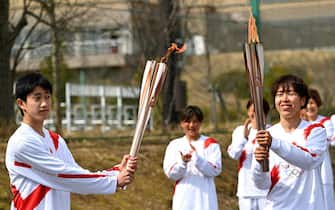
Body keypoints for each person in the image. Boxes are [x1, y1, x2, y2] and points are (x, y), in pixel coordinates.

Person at [5, 73, 138, 210]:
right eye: (37, 98)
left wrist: (115, 171)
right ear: (21, 104)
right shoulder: (21, 143)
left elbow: (77, 174)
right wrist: (114, 181)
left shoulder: (56, 140)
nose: (44, 103)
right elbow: (63, 176)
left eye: (47, 96)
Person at [252, 74, 327, 210]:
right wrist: (258, 164)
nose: (284, 99)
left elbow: (310, 161)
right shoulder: (266, 135)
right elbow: (262, 184)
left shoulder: (315, 131)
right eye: (280, 94)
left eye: (290, 93)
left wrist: (274, 143)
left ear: (303, 100)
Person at [163, 105, 222, 210]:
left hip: (206, 201)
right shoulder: (175, 145)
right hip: (183, 201)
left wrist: (197, 159)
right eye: (187, 121)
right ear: (181, 123)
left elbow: (215, 170)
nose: (191, 125)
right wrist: (182, 162)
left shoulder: (211, 144)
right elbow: (170, 174)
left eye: (195, 121)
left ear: (200, 123)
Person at [227, 99, 270, 210]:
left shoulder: (272, 131)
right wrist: (244, 137)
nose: (255, 114)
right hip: (246, 190)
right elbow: (234, 155)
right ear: (248, 112)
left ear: (265, 113)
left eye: (259, 111)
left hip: (266, 191)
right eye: (252, 111)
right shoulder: (240, 131)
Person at [305, 88, 335, 210]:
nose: (309, 106)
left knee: (326, 203)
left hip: (323, 169)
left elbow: (326, 143)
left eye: (312, 103)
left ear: (317, 104)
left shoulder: (325, 122)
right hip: (306, 170)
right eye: (307, 103)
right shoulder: (301, 124)